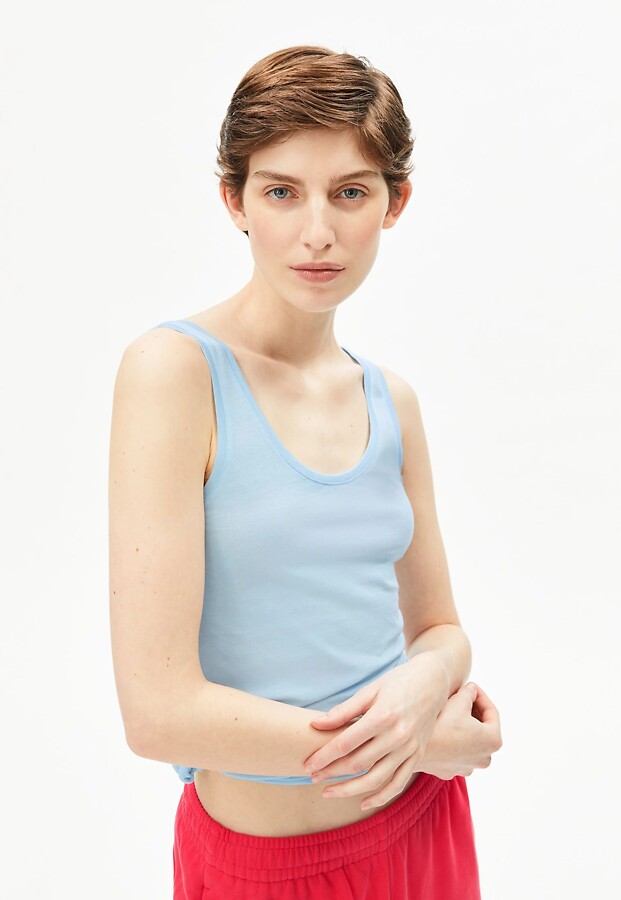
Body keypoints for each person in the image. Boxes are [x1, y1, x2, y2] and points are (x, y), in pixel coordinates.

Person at [108, 44, 502, 899]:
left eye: (349, 192)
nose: (316, 232)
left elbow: (440, 628)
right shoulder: (175, 374)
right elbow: (158, 714)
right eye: (281, 192)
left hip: (425, 824)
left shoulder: (390, 400)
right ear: (234, 200)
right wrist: (415, 741)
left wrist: (427, 683)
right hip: (266, 865)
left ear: (395, 202)